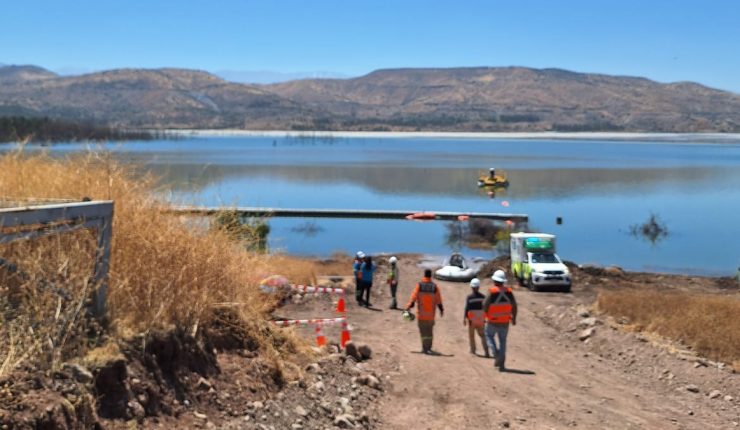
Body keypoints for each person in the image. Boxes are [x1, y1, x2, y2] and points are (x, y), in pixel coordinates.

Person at [483, 270, 517, 371]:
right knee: (503, 341)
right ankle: (502, 364)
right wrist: (514, 318)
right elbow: (514, 306)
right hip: (505, 321)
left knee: (489, 335)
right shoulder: (509, 292)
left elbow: (485, 305)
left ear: (494, 280)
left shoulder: (492, 291)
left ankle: (496, 353)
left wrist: (484, 316)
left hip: (492, 320)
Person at [405, 269, 444, 354]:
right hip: (430, 315)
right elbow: (439, 300)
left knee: (423, 333)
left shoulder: (419, 286)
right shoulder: (435, 287)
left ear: (424, 275)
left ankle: (424, 348)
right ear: (431, 276)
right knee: (429, 333)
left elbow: (413, 298)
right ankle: (428, 348)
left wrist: (408, 307)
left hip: (421, 315)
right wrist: (441, 309)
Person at [463, 278, 490, 357]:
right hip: (481, 319)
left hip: (472, 320)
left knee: (472, 336)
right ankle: (486, 351)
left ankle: (473, 350)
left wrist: (464, 318)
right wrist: (485, 318)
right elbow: (486, 309)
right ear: (478, 287)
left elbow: (467, 308)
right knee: (482, 335)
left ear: (471, 287)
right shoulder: (483, 297)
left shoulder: (469, 297)